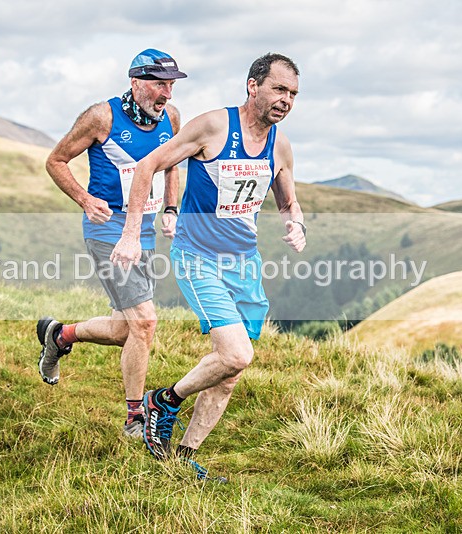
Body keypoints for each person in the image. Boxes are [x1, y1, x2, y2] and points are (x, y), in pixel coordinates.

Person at [111, 53, 306, 481]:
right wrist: (129, 234)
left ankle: (180, 459)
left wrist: (296, 225)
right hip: (198, 258)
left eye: (292, 94)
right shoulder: (214, 126)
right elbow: (148, 166)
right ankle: (164, 400)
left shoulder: (280, 144)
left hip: (245, 265)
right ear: (253, 86)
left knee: (232, 370)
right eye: (278, 89)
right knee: (237, 353)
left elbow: (287, 200)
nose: (285, 100)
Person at [36, 49, 185, 438]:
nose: (166, 93)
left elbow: (173, 166)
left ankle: (59, 335)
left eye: (171, 84)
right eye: (158, 84)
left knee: (126, 329)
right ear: (135, 82)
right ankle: (135, 416)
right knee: (146, 321)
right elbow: (56, 160)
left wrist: (170, 208)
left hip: (145, 229)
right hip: (107, 232)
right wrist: (85, 200)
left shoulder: (171, 117)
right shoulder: (102, 117)